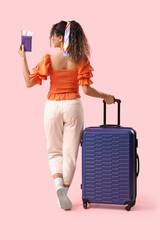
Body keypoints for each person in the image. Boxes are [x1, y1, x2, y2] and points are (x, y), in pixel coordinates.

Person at [18, 20, 115, 211]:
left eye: (53, 36)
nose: (52, 39)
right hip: (73, 106)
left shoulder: (49, 59)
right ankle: (64, 192)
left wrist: (23, 57)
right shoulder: (80, 59)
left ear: (61, 37)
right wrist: (106, 96)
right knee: (70, 153)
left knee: (54, 150)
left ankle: (58, 186)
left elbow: (29, 83)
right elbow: (86, 90)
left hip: (52, 107)